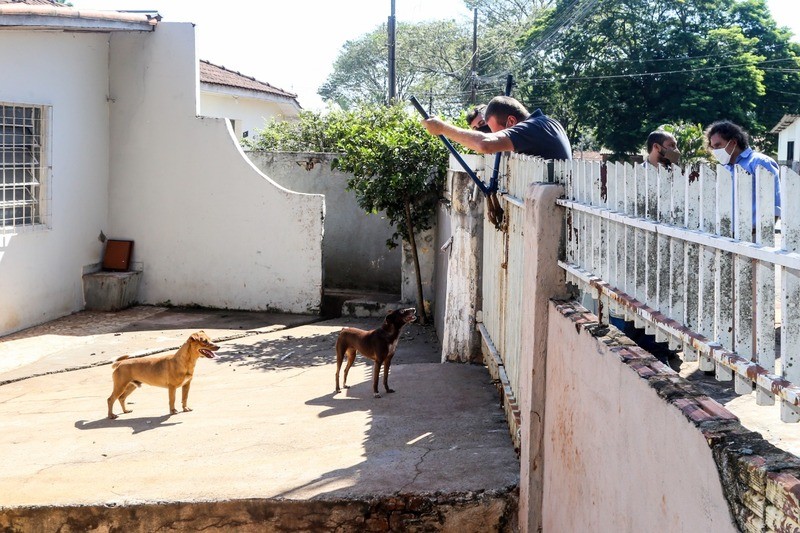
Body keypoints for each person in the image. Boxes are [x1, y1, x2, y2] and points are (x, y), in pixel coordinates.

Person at [421, 95, 572, 160]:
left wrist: (442, 128)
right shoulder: (547, 123)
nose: (494, 135)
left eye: (497, 131)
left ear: (511, 121)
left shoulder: (531, 128)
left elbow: (485, 144)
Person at [705, 120, 781, 225]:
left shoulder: (759, 162)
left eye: (718, 145)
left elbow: (775, 205)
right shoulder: (725, 168)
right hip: (728, 234)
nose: (715, 151)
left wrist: (761, 233)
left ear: (733, 142)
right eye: (713, 147)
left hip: (754, 234)